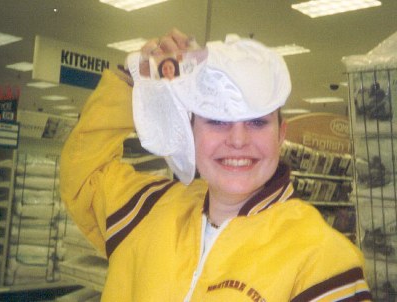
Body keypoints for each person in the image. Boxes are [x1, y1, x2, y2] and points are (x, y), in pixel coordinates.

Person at [60, 28, 372, 301]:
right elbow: (86, 171)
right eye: (217, 120)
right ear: (192, 131)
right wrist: (138, 76)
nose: (238, 140)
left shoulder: (321, 260)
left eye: (257, 122)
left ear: (281, 135)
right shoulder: (145, 210)